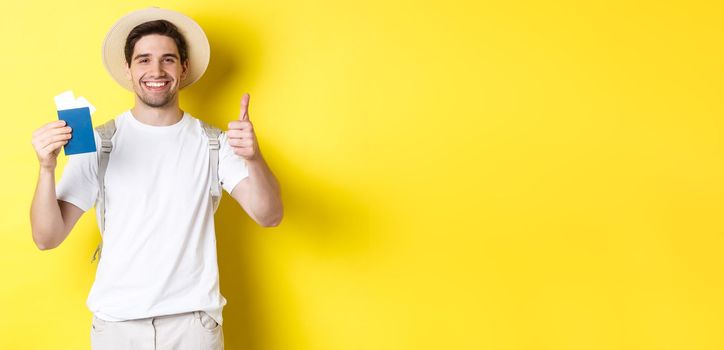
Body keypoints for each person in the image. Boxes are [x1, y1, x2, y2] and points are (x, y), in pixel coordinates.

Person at [29, 7, 283, 349]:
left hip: (193, 326)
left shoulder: (214, 143)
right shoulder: (100, 142)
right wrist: (46, 169)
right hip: (117, 327)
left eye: (168, 59)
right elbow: (47, 237)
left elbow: (269, 215)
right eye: (144, 60)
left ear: (183, 68)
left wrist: (254, 158)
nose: (156, 70)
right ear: (129, 70)